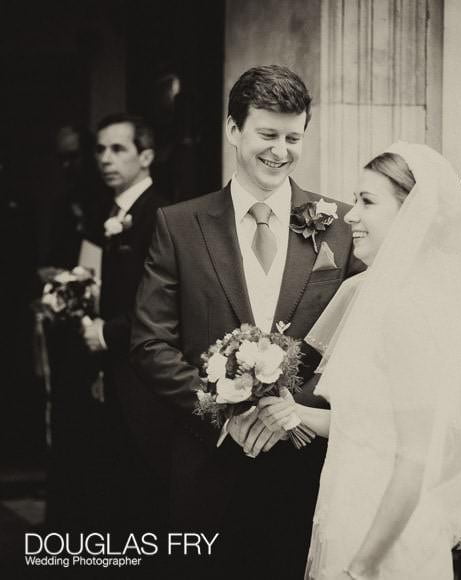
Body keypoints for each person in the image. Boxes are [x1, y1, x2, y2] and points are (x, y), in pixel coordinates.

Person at [130, 65, 364, 579]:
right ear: (234, 130)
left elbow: (366, 342)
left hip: (310, 470)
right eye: (267, 134)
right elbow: (150, 343)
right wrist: (225, 413)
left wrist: (296, 414)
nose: (280, 150)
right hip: (209, 467)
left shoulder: (342, 227)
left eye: (293, 137)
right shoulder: (179, 224)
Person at [258, 142, 461, 579]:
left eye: (367, 201)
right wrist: (295, 413)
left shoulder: (407, 311)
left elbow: (417, 460)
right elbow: (369, 424)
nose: (350, 214)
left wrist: (360, 569)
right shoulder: (380, 297)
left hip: (385, 537)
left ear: (411, 213)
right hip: (352, 512)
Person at [82, 113, 168, 531]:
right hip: (113, 371)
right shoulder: (108, 212)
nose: (105, 159)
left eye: (118, 149)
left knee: (143, 490)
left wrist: (104, 333)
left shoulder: (160, 215)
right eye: (100, 149)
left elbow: (161, 303)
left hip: (145, 375)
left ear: (146, 155)